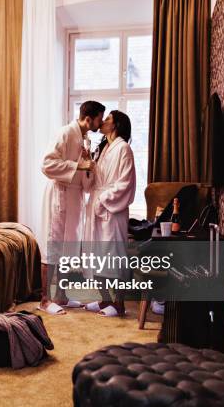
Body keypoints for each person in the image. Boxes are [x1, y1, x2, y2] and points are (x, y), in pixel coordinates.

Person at [38, 101, 105, 315]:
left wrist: (87, 167)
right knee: (53, 248)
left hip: (75, 198)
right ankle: (45, 300)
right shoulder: (65, 132)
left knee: (68, 249)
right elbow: (46, 164)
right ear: (89, 118)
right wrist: (78, 165)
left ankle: (63, 296)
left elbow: (84, 176)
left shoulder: (85, 139)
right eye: (99, 118)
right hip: (60, 195)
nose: (100, 123)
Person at [82, 110, 136, 317]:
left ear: (116, 125)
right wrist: (88, 165)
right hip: (96, 206)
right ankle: (104, 300)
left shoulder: (123, 149)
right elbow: (92, 181)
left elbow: (125, 183)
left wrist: (104, 199)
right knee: (96, 255)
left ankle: (119, 304)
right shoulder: (104, 148)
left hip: (112, 210)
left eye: (107, 119)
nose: (102, 122)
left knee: (113, 255)